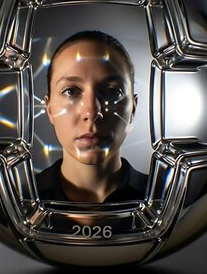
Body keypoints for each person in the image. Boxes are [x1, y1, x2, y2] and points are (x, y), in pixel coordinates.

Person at [37, 30, 148, 203]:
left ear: (132, 109)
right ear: (49, 109)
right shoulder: (15, 199)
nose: (92, 113)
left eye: (112, 91)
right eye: (71, 91)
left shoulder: (168, 199)